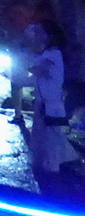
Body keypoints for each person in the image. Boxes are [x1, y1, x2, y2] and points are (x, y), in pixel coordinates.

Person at [17, 21, 79, 173]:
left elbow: (39, 70)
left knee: (53, 137)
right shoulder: (45, 54)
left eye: (42, 33)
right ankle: (53, 164)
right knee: (43, 135)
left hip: (53, 106)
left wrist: (25, 55)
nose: (39, 35)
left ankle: (53, 171)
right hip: (42, 104)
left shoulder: (54, 54)